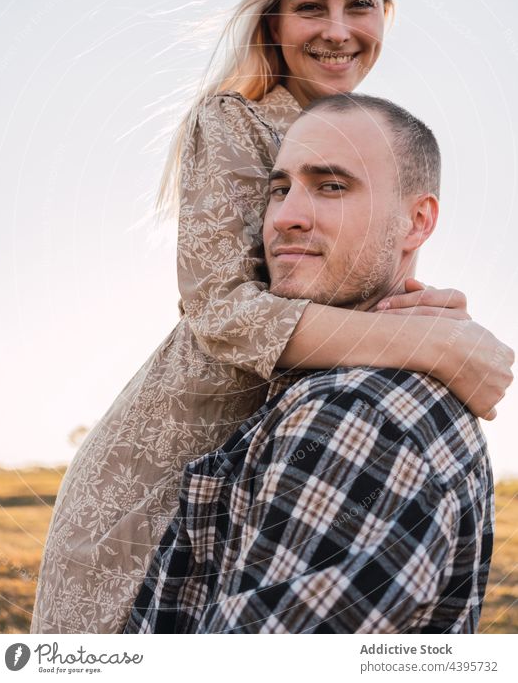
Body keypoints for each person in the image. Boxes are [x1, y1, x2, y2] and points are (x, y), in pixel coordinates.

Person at [31, 0, 512, 635]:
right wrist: (435, 345)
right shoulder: (234, 118)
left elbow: (360, 289)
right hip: (156, 481)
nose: (337, 29)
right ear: (273, 20)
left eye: (361, 4)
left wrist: (425, 307)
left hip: (284, 463)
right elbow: (222, 312)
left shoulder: (371, 135)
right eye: (308, 5)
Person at [125, 94, 497, 634]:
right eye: (280, 189)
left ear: (417, 222)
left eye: (332, 186)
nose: (285, 218)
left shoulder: (358, 414)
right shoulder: (337, 386)